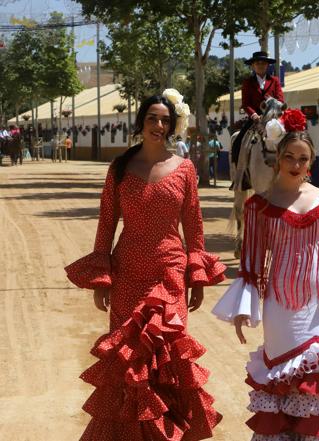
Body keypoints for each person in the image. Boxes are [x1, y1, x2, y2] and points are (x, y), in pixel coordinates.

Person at [65, 92, 226, 440]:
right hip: (128, 274)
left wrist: (196, 278)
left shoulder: (185, 169)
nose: (158, 125)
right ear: (141, 123)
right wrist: (101, 279)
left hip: (170, 273)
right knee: (130, 362)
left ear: (172, 126)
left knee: (169, 360)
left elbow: (194, 227)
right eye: (152, 118)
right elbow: (106, 224)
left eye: (165, 120)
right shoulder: (120, 168)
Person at [212, 109, 319, 440]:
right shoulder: (258, 206)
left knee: (318, 382)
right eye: (290, 157)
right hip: (279, 309)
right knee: (281, 384)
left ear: (311, 162)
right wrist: (242, 310)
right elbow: (251, 265)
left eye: (303, 158)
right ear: (278, 158)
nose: (296, 164)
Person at [231, 51, 284, 184]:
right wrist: (254, 115)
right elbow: (246, 103)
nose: (260, 65)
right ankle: (240, 176)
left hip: (273, 118)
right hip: (255, 119)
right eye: (257, 63)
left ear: (267, 65)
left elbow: (280, 99)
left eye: (263, 63)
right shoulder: (248, 82)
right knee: (238, 141)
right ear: (253, 66)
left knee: (290, 138)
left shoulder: (275, 81)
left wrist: (274, 108)